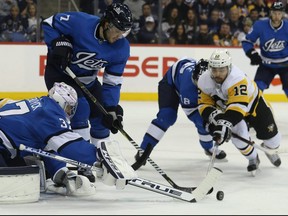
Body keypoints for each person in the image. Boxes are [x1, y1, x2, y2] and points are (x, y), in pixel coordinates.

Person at [41, 3, 133, 182]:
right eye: (117, 30)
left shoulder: (121, 48)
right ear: (106, 24)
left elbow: (112, 82)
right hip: (60, 74)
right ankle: (82, 163)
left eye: (124, 32)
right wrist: (58, 43)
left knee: (103, 119)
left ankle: (101, 159)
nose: (119, 36)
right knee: (80, 108)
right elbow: (49, 23)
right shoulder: (80, 22)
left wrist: (112, 108)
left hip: (88, 80)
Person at [0, 82, 137, 196]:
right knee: (17, 182)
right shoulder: (50, 114)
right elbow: (70, 146)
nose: (70, 112)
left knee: (31, 172)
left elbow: (48, 148)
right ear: (61, 103)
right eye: (69, 108)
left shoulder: (38, 104)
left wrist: (61, 173)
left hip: (5, 147)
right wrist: (99, 158)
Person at [194, 49, 281, 175]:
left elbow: (238, 107)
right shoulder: (204, 80)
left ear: (228, 68)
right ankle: (253, 158)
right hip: (230, 110)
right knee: (239, 137)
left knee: (273, 141)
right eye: (214, 69)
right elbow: (204, 104)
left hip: (254, 106)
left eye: (221, 70)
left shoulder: (237, 78)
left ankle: (269, 148)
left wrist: (223, 124)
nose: (217, 74)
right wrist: (216, 119)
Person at [134, 57, 227, 168]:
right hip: (171, 84)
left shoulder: (215, 79)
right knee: (167, 116)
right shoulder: (189, 86)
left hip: (183, 75)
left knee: (205, 119)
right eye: (199, 82)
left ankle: (208, 148)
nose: (201, 86)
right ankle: (143, 150)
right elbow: (192, 113)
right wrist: (208, 126)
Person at [242, 1, 288, 98]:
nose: (277, 16)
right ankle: (254, 112)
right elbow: (247, 41)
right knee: (256, 91)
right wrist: (252, 53)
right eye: (274, 13)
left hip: (286, 65)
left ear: (283, 14)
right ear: (270, 13)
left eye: (279, 13)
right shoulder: (260, 25)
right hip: (266, 65)